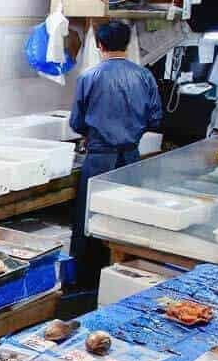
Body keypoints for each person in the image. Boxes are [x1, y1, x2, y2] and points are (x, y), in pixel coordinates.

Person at [68, 20, 162, 283]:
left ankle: (85, 281)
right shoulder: (144, 76)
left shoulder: (89, 76)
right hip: (130, 160)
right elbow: (155, 118)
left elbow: (76, 122)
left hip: (99, 160)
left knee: (90, 220)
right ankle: (121, 276)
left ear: (99, 45)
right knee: (124, 219)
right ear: (128, 44)